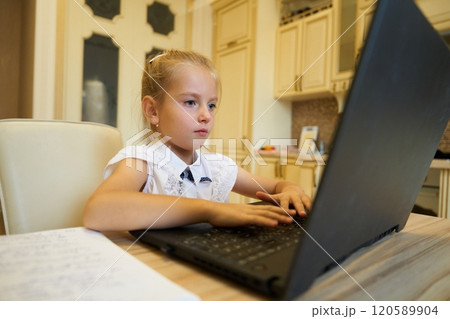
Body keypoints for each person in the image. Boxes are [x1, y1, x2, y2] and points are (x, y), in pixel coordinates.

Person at [83, 49, 312, 231]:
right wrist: (209, 210)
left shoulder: (216, 167)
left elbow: (276, 187)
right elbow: (98, 211)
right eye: (191, 102)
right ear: (153, 110)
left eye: (211, 104)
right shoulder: (144, 161)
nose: (206, 115)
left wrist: (290, 188)